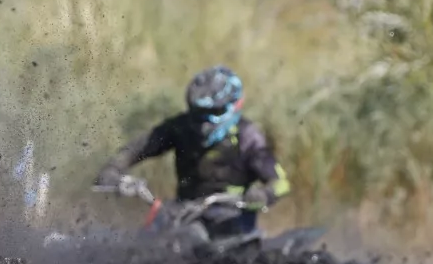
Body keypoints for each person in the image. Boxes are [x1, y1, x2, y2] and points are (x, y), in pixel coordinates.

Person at [93, 66, 290, 238]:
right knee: (145, 237)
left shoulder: (247, 137)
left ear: (234, 107)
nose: (203, 122)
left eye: (213, 113)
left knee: (195, 237)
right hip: (183, 211)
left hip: (230, 217)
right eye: (198, 112)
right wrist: (113, 168)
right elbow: (139, 147)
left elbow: (280, 182)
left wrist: (262, 195)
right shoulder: (182, 126)